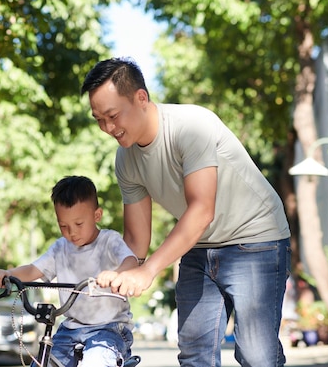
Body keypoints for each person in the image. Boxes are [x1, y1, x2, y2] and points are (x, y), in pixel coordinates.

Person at [80, 57, 291, 367]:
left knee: (256, 356)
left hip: (256, 240)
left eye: (112, 115)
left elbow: (202, 210)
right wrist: (122, 270)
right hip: (199, 247)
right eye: (99, 119)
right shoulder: (126, 159)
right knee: (194, 354)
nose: (107, 128)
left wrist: (148, 270)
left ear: (141, 98)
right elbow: (137, 239)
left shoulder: (190, 126)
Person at [0, 175, 138, 367]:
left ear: (96, 215)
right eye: (64, 226)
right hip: (70, 328)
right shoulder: (60, 248)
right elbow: (33, 270)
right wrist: (8, 274)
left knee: (95, 362)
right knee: (42, 361)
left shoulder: (109, 241)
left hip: (109, 328)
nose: (72, 232)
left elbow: (131, 262)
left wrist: (118, 273)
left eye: (78, 224)